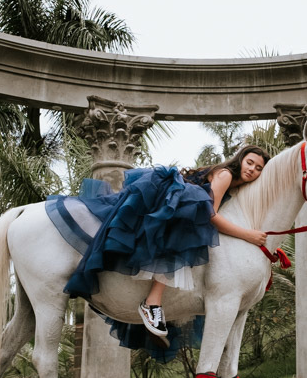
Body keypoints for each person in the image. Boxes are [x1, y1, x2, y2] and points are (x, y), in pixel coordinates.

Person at [46, 145, 270, 360]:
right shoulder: (226, 176)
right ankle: (152, 302)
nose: (252, 169)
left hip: (179, 201)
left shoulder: (238, 185)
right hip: (175, 199)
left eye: (258, 168)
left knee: (186, 232)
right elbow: (210, 215)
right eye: (250, 162)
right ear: (240, 160)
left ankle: (161, 304)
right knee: (184, 233)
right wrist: (247, 235)